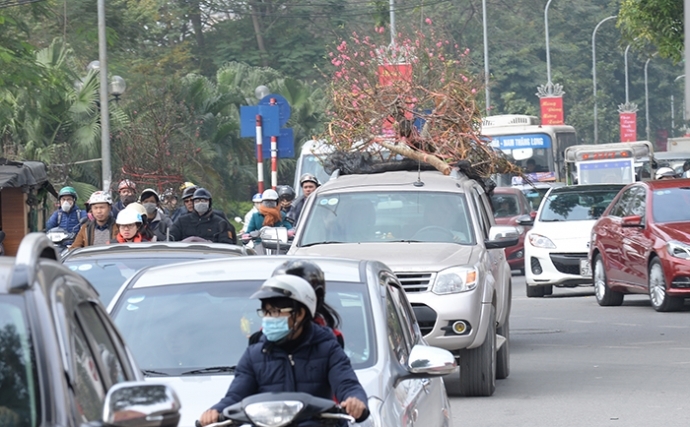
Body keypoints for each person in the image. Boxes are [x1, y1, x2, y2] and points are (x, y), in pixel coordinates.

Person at [198, 275, 368, 426]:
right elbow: (235, 396)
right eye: (266, 312)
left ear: (300, 314)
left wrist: (355, 402)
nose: (268, 319)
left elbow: (347, 385)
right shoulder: (254, 354)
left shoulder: (328, 348)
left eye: (276, 312)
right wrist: (215, 412)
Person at [249, 260, 344, 347]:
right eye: (270, 310)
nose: (271, 317)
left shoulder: (330, 341)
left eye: (278, 309)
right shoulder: (259, 340)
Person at [169, 187, 236, 244]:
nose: (200, 203)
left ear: (209, 202)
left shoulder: (220, 222)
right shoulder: (181, 221)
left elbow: (227, 244)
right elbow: (170, 239)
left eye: (203, 200)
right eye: (197, 201)